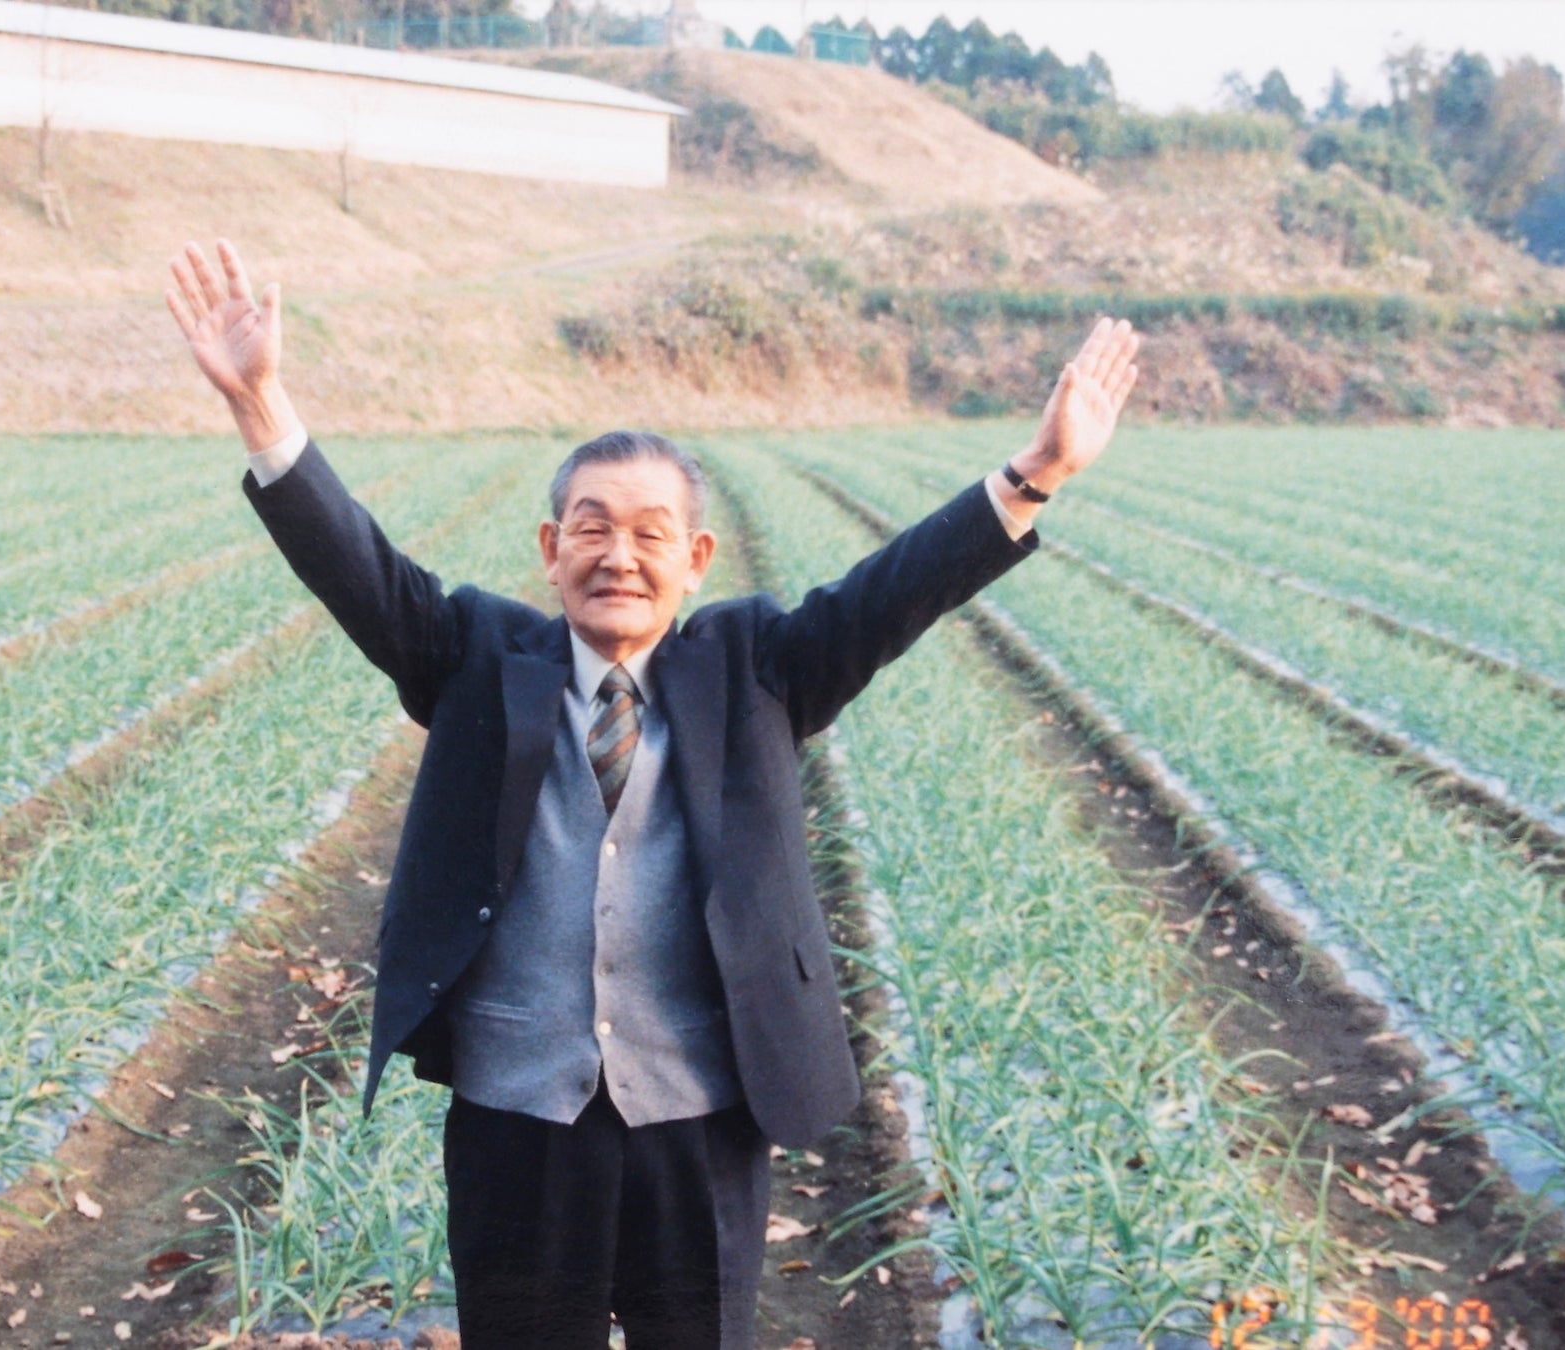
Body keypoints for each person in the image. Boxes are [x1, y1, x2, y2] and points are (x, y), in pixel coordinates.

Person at [166, 238, 1140, 1349]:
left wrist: (1035, 472)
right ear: (549, 548)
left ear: (696, 560)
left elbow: (890, 593)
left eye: (648, 534)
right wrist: (260, 402)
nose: (617, 554)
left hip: (700, 1110)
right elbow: (361, 570)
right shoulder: (476, 657)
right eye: (591, 526)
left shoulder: (759, 666)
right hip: (519, 1111)